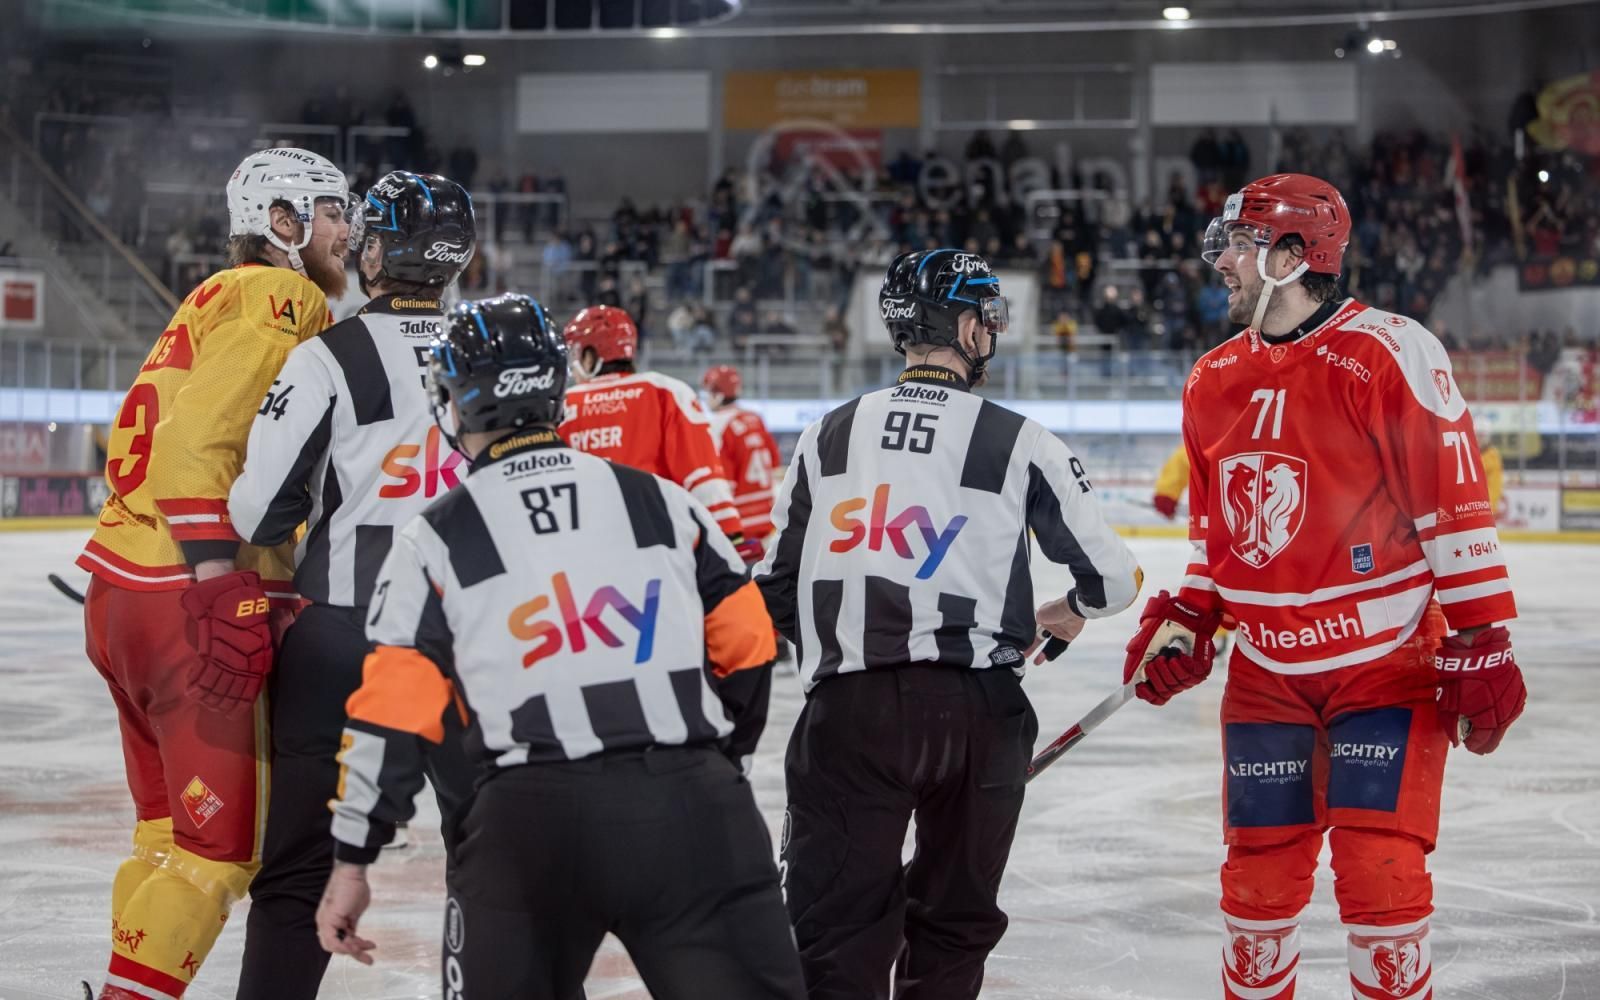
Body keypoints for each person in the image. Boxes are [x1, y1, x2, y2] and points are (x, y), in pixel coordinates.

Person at [313, 294, 805, 1000]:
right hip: (691, 805)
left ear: (451, 403)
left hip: (528, 819)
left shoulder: (433, 535)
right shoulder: (664, 502)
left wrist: (353, 859)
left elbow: (392, 711)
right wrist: (715, 762)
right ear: (556, 387)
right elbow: (750, 643)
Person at [1123, 173, 1526, 1000]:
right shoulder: (1210, 380)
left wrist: (1482, 634)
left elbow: (1452, 501)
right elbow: (1215, 536)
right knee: (1256, 889)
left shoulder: (1388, 350)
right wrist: (1193, 613)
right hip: (1268, 674)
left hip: (1385, 664)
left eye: (1239, 245)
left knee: (1381, 876)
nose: (1221, 263)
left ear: (1292, 255)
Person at [755, 248, 1143, 999]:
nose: (990, 334)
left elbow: (773, 588)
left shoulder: (825, 435)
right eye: (986, 319)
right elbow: (1115, 579)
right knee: (954, 927)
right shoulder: (1023, 439)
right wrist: (1068, 612)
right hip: (979, 717)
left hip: (851, 715)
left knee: (834, 934)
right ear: (964, 329)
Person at [75, 147, 349, 999]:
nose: (347, 230)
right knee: (218, 854)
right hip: (190, 599)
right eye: (332, 211)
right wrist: (221, 579)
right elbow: (195, 445)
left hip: (121, 589)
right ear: (282, 222)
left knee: (164, 836)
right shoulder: (285, 295)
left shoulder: (210, 294)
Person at [226, 170, 478, 999]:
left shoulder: (327, 354)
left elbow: (258, 510)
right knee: (497, 859)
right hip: (474, 639)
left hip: (343, 633)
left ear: (373, 254)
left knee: (302, 866)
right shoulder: (501, 353)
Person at [560, 303, 743, 544]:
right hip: (657, 546)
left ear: (589, 356)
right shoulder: (665, 391)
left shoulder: (563, 404)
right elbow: (702, 477)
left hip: (585, 547)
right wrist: (730, 536)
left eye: (575, 354)